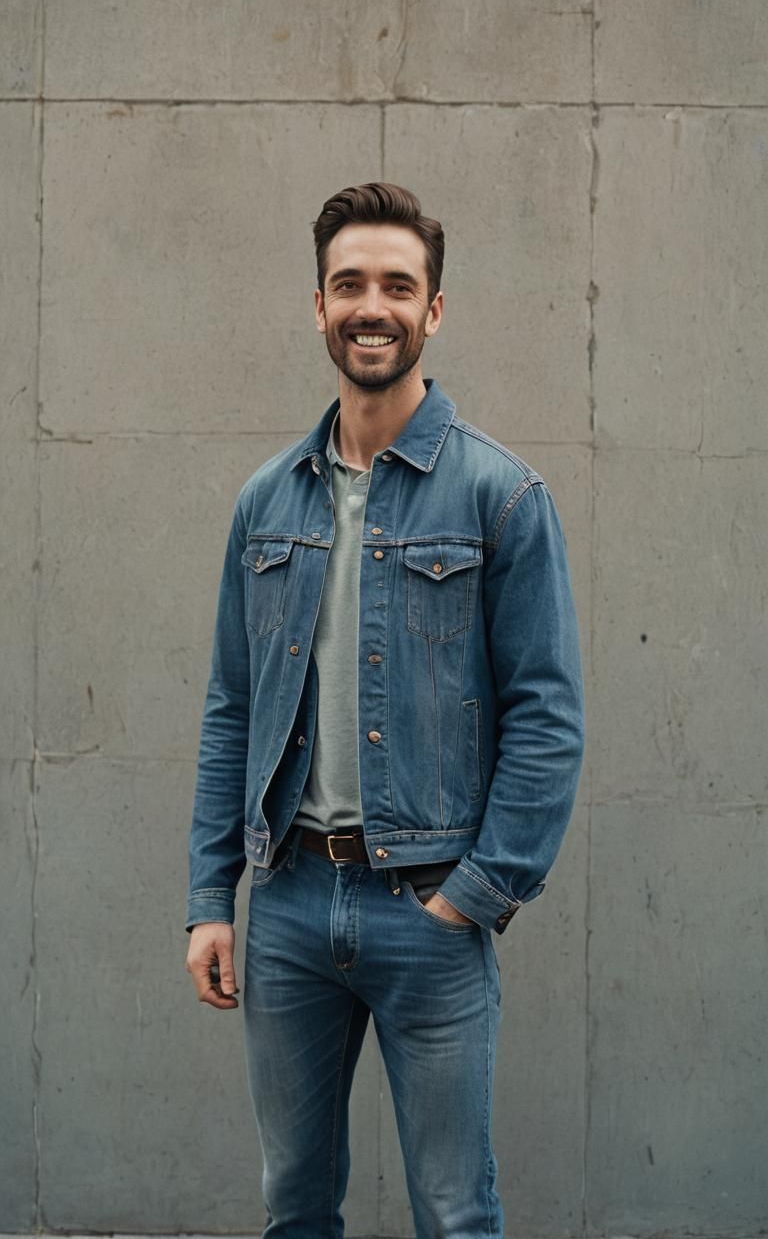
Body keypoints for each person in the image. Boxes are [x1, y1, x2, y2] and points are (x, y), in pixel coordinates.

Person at [184, 182, 585, 1237]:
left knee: (455, 1213)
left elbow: (548, 718)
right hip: (288, 909)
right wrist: (209, 898)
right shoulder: (266, 502)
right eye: (350, 284)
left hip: (430, 910)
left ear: (434, 310)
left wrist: (478, 894)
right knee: (294, 1207)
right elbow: (232, 709)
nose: (375, 306)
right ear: (318, 305)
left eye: (398, 286)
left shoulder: (502, 498)